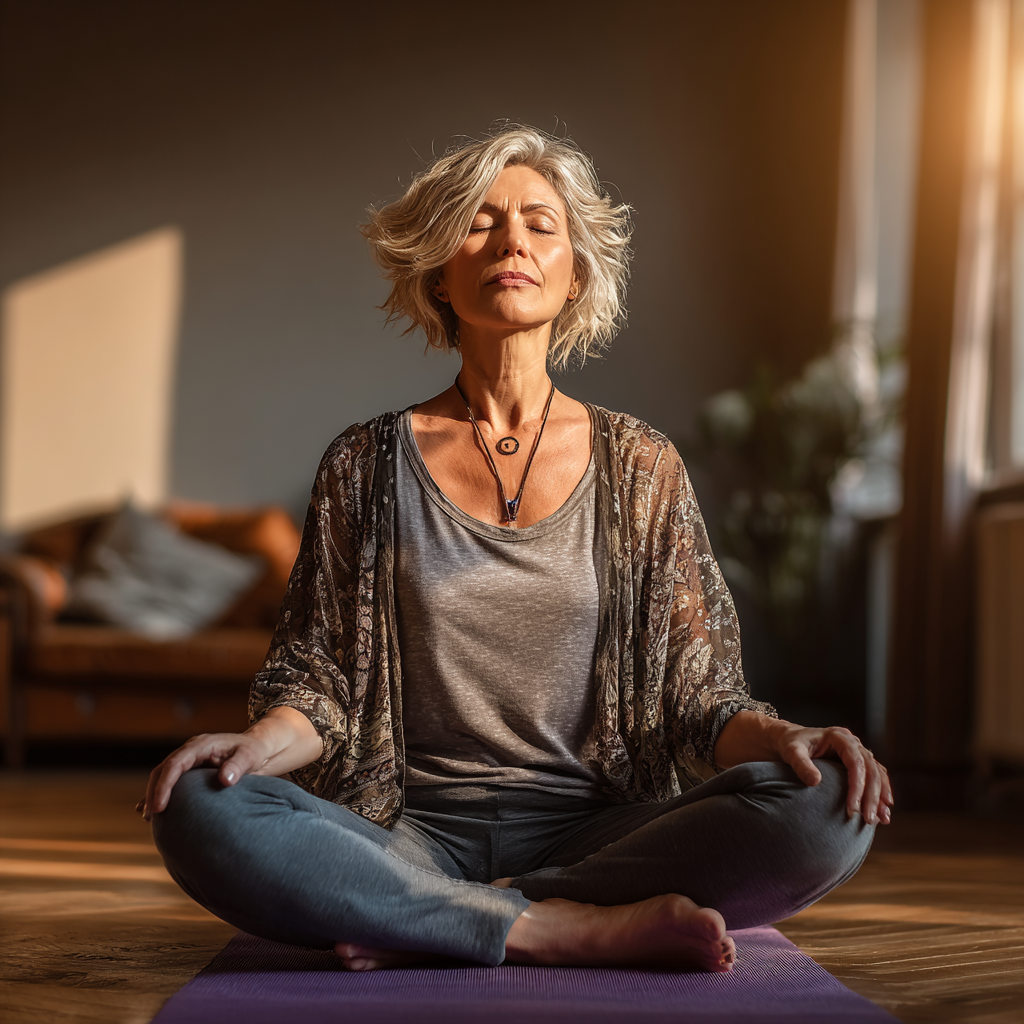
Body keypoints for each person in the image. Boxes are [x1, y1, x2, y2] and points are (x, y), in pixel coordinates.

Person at [141, 125, 892, 974]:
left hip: (601, 832)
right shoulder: (362, 464)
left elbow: (699, 700)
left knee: (830, 805)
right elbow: (319, 687)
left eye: (541, 224)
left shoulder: (642, 466)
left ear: (576, 274)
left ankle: (443, 921)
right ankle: (555, 927)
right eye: (481, 222)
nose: (512, 242)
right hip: (404, 830)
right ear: (437, 271)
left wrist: (790, 735)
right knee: (198, 805)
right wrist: (250, 751)